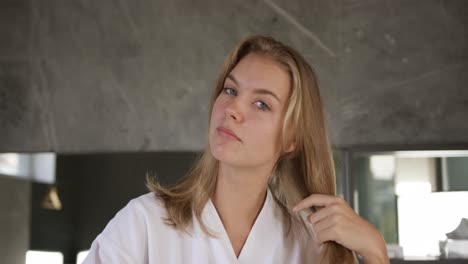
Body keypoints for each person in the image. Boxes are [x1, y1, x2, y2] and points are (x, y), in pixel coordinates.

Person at [83, 35, 388, 264]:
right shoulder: (143, 223)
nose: (232, 109)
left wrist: (375, 250)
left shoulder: (310, 246)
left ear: (291, 139)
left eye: (261, 104)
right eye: (230, 90)